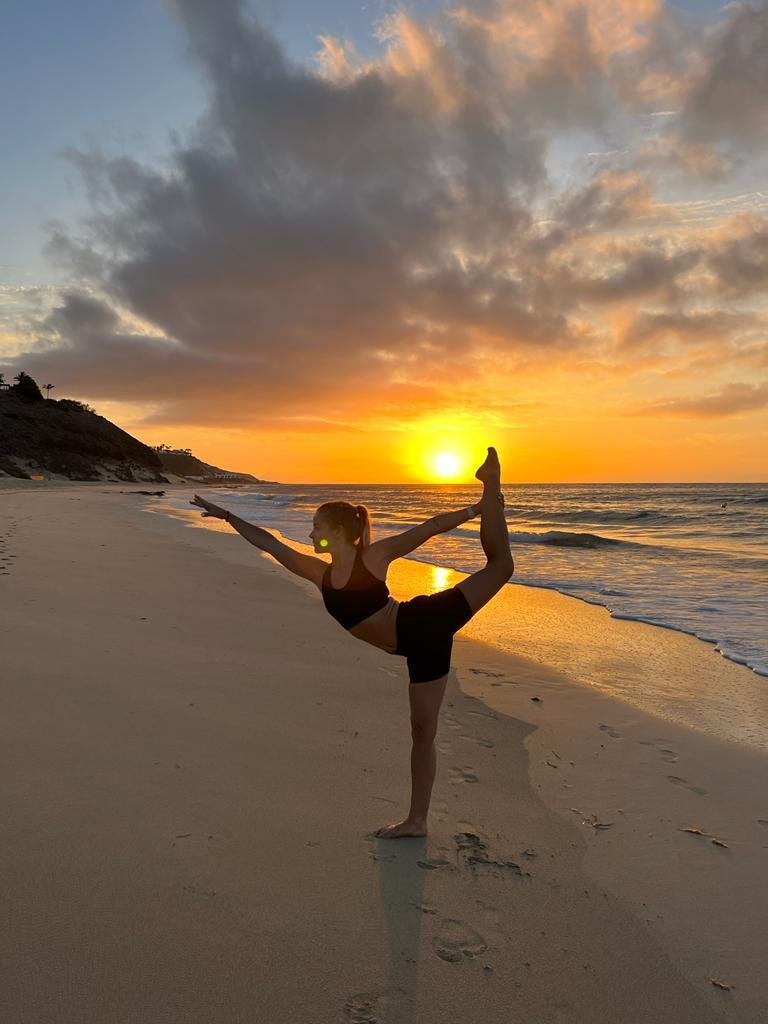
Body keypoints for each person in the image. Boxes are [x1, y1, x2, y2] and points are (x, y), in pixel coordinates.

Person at [190, 447, 514, 839]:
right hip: (418, 648)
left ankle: (490, 489)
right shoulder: (318, 573)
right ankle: (418, 822)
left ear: (338, 533)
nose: (310, 534)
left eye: (316, 527)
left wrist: (473, 512)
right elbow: (269, 543)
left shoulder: (374, 558)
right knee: (422, 732)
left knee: (501, 566)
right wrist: (226, 516)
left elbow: (427, 527)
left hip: (425, 621)